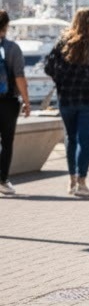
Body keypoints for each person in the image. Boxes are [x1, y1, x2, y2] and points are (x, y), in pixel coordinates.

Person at [43, 8, 89, 197]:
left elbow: (48, 66)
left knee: (71, 138)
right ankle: (82, 183)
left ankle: (72, 181)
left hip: (67, 98)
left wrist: (61, 80)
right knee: (85, 140)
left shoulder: (63, 42)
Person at [0, 10, 32, 195]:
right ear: (6, 26)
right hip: (8, 102)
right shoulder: (12, 48)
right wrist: (27, 102)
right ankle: (3, 181)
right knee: (7, 141)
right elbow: (19, 77)